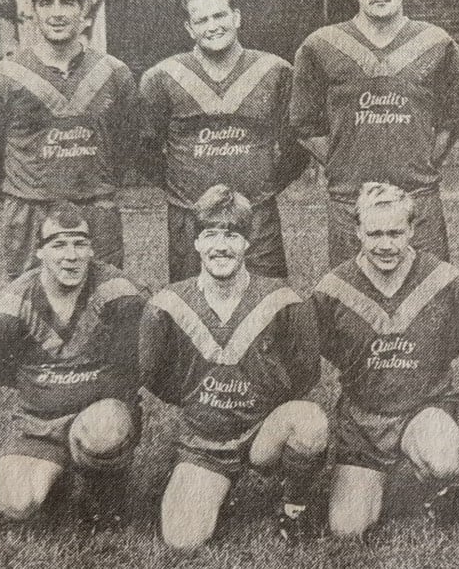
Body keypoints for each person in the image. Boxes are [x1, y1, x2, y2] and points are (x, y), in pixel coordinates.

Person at [139, 185, 326, 549]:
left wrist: (270, 403)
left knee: (310, 420)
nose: (221, 246)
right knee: (182, 539)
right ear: (195, 243)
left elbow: (306, 372)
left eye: (232, 235)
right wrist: (197, 399)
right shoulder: (167, 304)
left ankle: (293, 504)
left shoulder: (283, 300)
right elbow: (154, 376)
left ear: (247, 243)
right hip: (205, 441)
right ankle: (214, 490)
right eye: (210, 234)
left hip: (263, 432)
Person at [0, 202, 146, 532]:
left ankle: (102, 490)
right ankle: (59, 473)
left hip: (98, 416)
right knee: (15, 503)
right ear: (39, 252)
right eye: (58, 244)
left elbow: (141, 361)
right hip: (39, 423)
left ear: (92, 248)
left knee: (104, 430)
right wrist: (41, 387)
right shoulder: (13, 302)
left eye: (80, 243)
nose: (71, 255)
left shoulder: (119, 293)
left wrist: (110, 399)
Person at [311, 183, 459, 539]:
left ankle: (436, 489)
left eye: (396, 233)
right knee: (346, 529)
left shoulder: (445, 281)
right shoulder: (331, 290)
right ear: (357, 232)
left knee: (443, 455)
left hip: (422, 408)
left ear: (412, 230)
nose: (386, 244)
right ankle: (374, 479)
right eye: (375, 233)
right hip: (363, 422)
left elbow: (451, 341)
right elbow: (333, 349)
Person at [291, 0, 459, 267]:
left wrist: (421, 160)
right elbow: (304, 125)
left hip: (417, 196)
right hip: (351, 200)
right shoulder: (320, 45)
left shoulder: (437, 43)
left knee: (429, 296)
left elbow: (450, 121)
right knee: (352, 299)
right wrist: (344, 161)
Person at [0, 0, 137, 278]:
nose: (57, 13)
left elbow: (125, 146)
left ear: (83, 9)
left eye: (67, 2)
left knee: (102, 301)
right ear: (34, 11)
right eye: (46, 3)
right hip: (30, 211)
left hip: (94, 208)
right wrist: (27, 190)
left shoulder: (114, 73)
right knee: (32, 309)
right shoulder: (1, 78)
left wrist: (94, 184)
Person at [140, 0, 307, 282]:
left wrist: (264, 187)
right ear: (189, 28)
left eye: (219, 16)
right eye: (201, 20)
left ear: (237, 17)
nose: (212, 26)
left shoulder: (275, 71)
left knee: (266, 303)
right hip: (190, 217)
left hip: (256, 216)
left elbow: (296, 148)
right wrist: (182, 189)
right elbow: (144, 150)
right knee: (191, 306)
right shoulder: (162, 77)